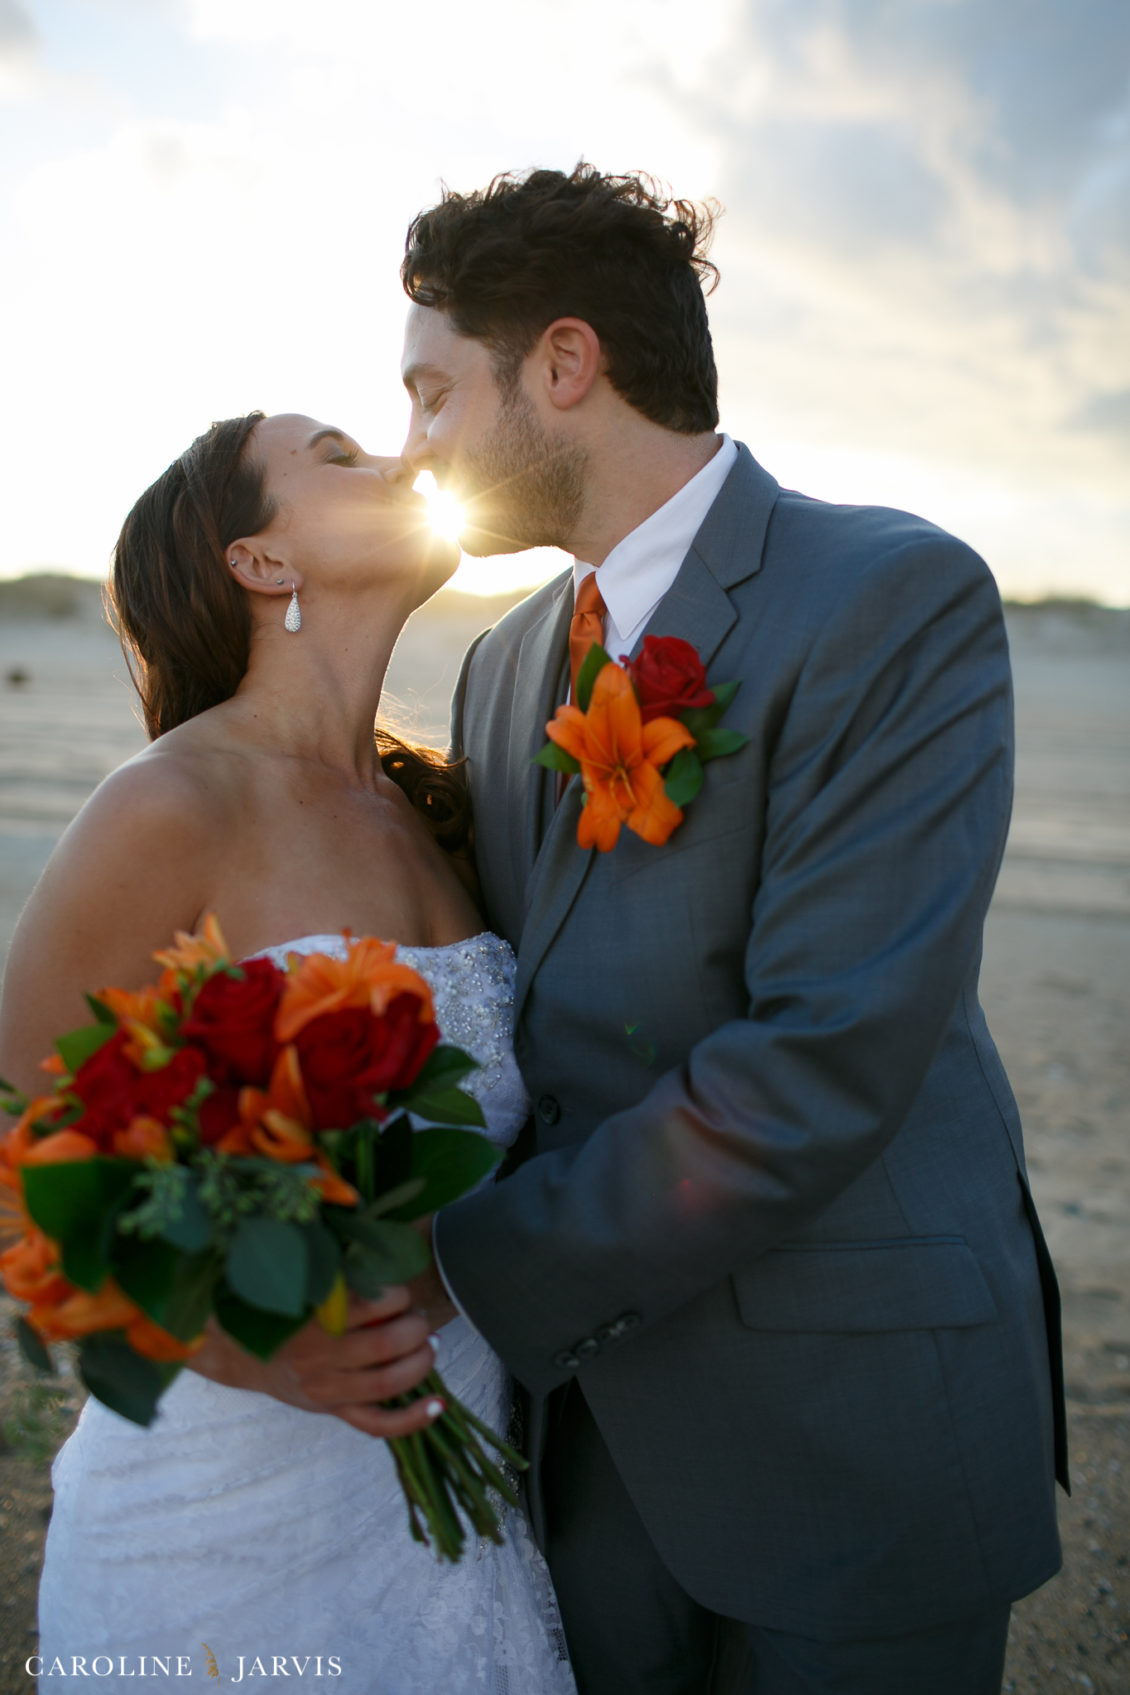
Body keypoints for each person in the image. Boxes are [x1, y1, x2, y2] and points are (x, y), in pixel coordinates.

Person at [383, 164, 1066, 1695]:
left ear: (563, 364)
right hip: (589, 1439)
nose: (413, 444)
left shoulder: (890, 595)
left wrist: (456, 1263)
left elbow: (823, 1056)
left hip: (851, 1423)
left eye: (433, 395)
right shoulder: (501, 668)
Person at [0, 413, 576, 1692]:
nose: (401, 462)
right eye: (338, 455)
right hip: (220, 1520)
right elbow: (22, 1131)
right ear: (261, 563)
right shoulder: (170, 805)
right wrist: (239, 1341)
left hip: (450, 1481)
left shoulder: (441, 812)